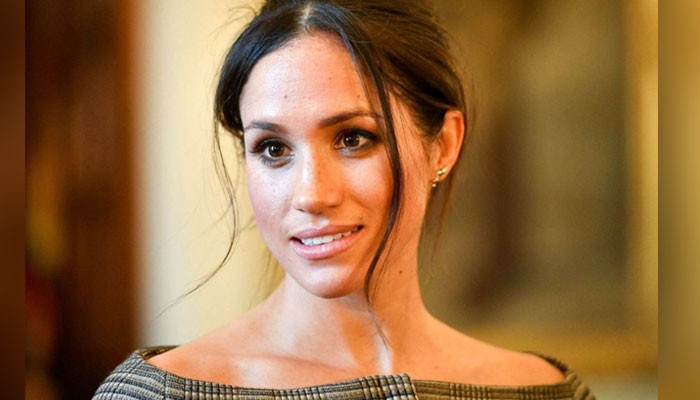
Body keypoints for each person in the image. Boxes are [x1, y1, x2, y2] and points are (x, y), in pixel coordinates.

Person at [94, 0, 594, 398]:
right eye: (273, 149)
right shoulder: (159, 394)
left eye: (353, 138)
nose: (312, 194)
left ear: (442, 144)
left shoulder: (545, 392)